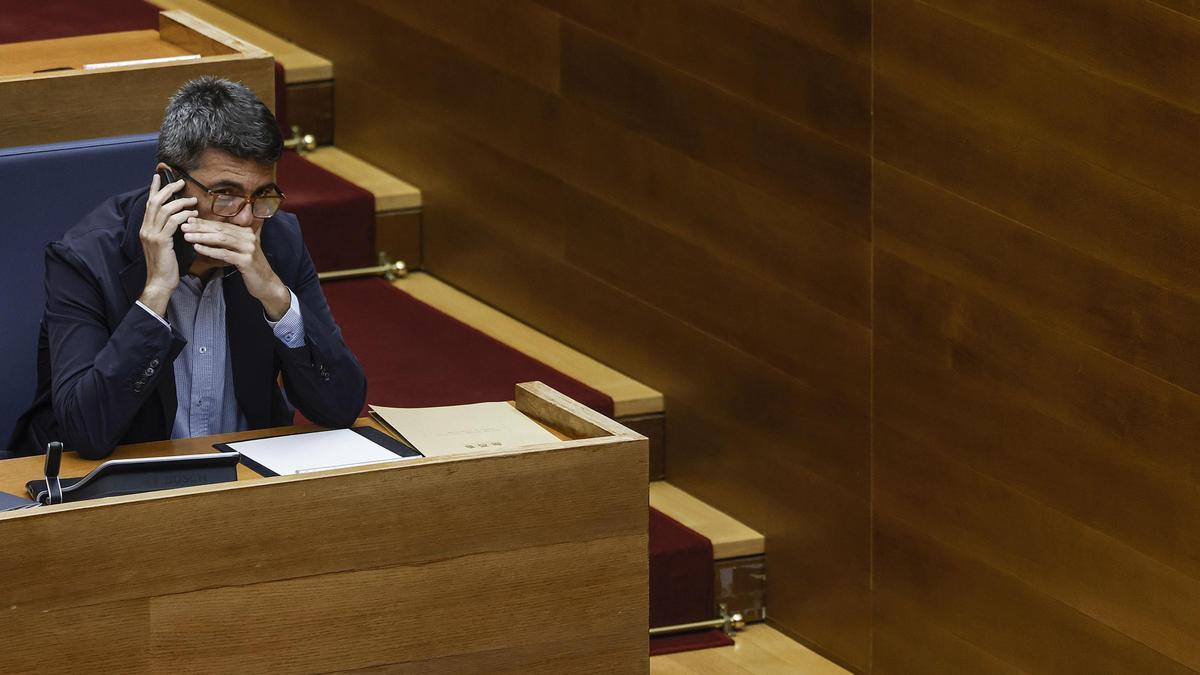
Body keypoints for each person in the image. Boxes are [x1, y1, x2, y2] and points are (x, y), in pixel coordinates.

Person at [6, 76, 367, 459]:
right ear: (168, 182)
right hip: (124, 486)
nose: (245, 220)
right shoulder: (87, 260)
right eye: (225, 195)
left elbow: (341, 406)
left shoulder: (278, 240)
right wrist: (156, 294)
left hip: (242, 482)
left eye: (262, 195)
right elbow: (86, 432)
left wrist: (277, 298)